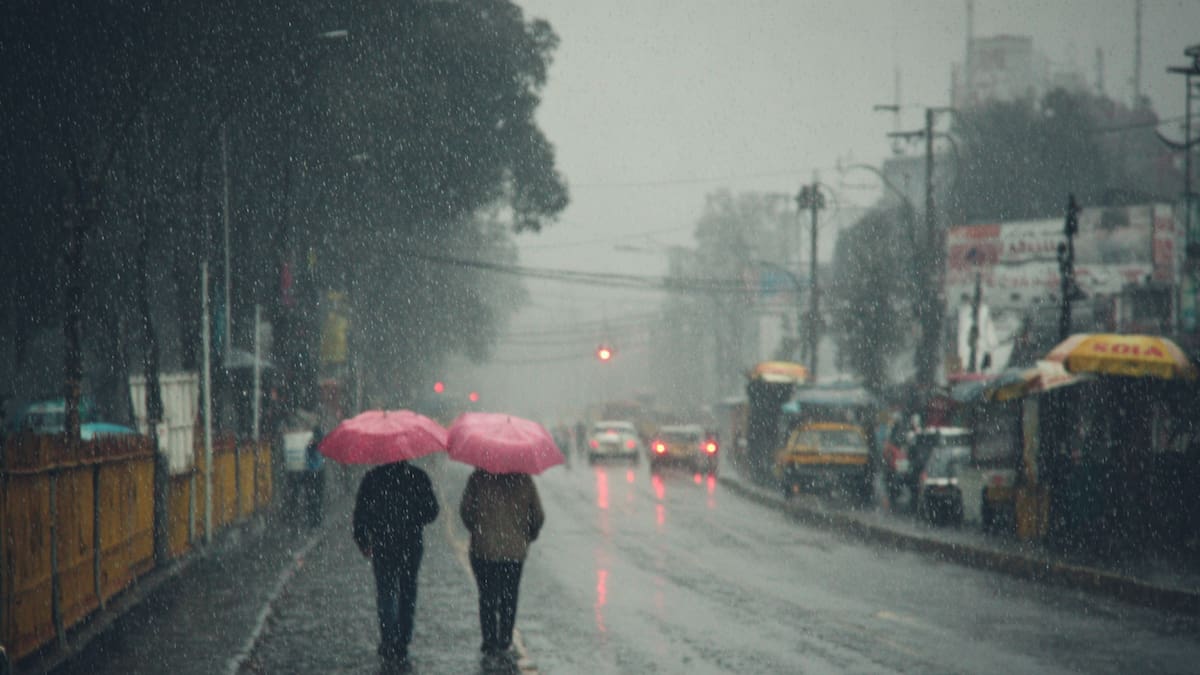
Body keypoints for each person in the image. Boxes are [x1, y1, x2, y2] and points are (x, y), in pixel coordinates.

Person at [353, 461, 440, 672]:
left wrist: (363, 540)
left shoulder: (372, 478)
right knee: (408, 590)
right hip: (411, 543)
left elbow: (361, 513)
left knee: (386, 590)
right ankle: (402, 640)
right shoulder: (418, 476)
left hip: (383, 544)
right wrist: (412, 517)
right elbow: (432, 512)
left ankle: (389, 639)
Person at [459, 469, 545, 659]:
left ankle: (489, 641)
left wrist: (478, 530)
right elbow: (538, 516)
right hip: (514, 552)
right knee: (509, 595)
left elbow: (466, 511)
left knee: (487, 596)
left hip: (484, 550)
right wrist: (527, 536)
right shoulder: (524, 480)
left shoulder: (478, 478)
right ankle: (505, 639)